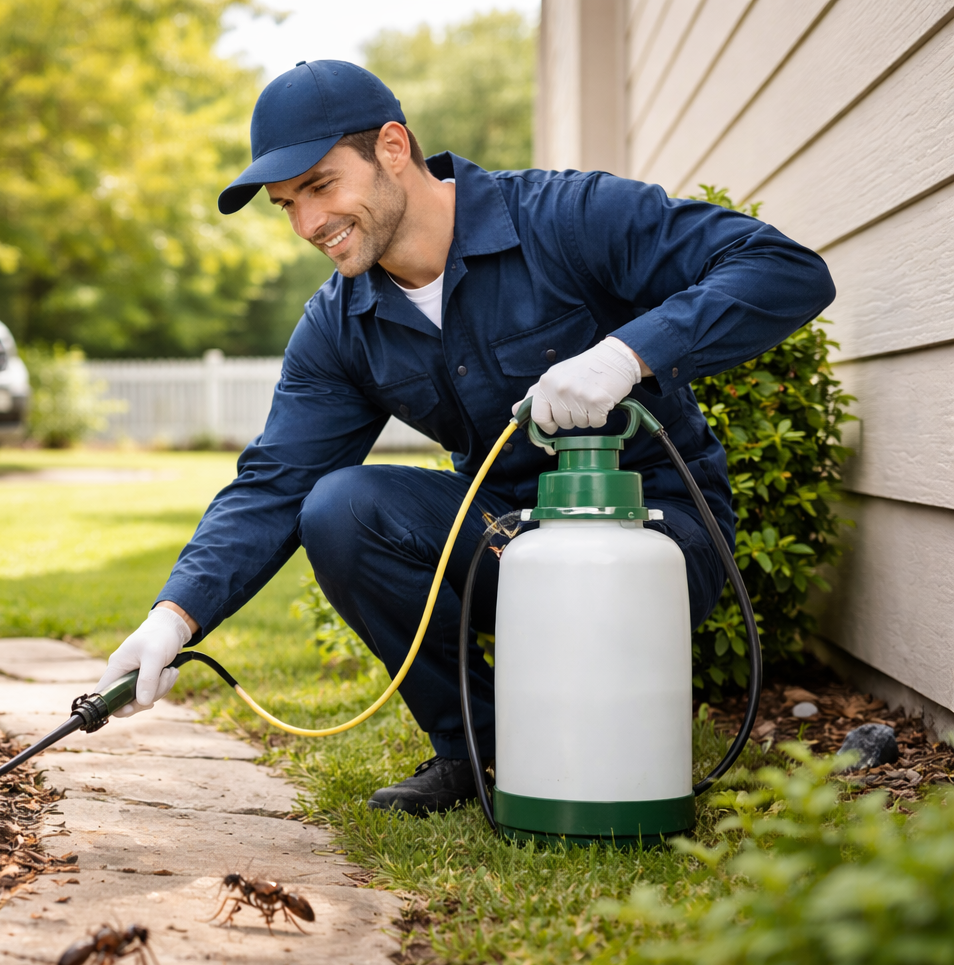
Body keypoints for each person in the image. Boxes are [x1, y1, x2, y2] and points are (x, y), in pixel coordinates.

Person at [94, 60, 834, 815]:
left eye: (320, 187)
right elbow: (274, 484)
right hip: (508, 543)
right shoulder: (341, 326)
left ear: (391, 147)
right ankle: (482, 750)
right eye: (287, 205)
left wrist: (626, 354)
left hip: (657, 540)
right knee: (338, 508)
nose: (308, 225)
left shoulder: (567, 219)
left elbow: (784, 269)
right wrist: (171, 619)